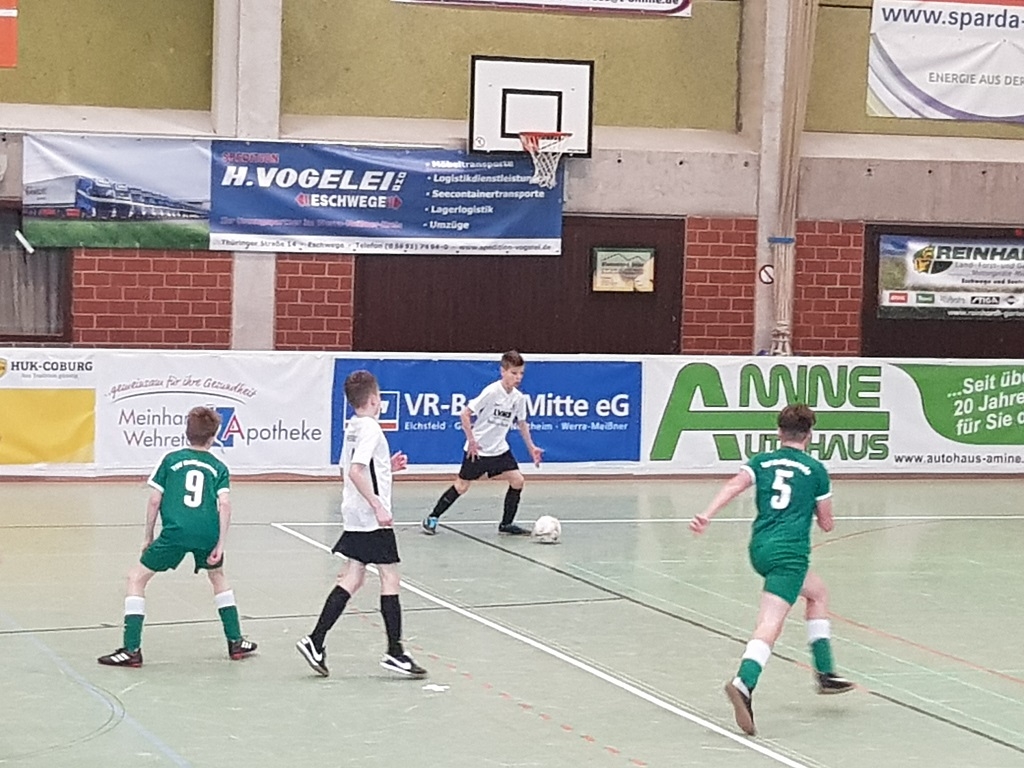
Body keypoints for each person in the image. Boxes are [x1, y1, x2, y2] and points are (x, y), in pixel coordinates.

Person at [689, 404, 854, 736]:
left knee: (817, 593)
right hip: (789, 556)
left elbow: (734, 485)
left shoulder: (762, 462)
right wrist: (815, 509)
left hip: (760, 549)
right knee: (770, 623)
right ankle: (744, 682)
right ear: (809, 434)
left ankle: (825, 672)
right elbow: (826, 523)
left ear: (779, 432)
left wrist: (707, 514)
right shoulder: (815, 470)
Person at [98, 406, 257, 667]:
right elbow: (225, 504)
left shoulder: (171, 460)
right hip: (208, 532)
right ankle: (235, 641)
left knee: (136, 578)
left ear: (186, 433)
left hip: (176, 531)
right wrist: (220, 543)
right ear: (213, 437)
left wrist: (148, 536)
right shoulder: (218, 467)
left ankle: (131, 649)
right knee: (218, 576)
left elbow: (154, 500)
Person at [296, 370, 426, 679]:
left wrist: (386, 467)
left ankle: (315, 641)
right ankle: (395, 652)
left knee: (354, 577)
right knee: (390, 577)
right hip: (370, 517)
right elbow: (356, 471)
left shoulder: (353, 426)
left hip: (353, 513)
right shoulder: (371, 429)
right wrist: (378, 504)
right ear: (374, 399)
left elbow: (353, 468)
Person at [421, 350, 544, 536]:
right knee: (461, 486)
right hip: (478, 450)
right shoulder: (492, 392)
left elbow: (522, 423)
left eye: (521, 373)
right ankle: (432, 517)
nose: (518, 377)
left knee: (518, 480)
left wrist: (531, 447)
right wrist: (471, 441)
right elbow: (465, 414)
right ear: (503, 371)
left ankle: (506, 524)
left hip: (499, 450)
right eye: (514, 373)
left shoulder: (518, 398)